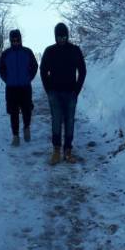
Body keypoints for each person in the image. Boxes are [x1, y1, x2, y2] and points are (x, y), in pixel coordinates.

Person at [40, 22, 86, 165]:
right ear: (55, 36)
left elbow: (82, 71)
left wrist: (77, 90)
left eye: (64, 36)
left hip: (71, 93)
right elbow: (42, 71)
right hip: (55, 93)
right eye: (59, 37)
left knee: (70, 122)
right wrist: (49, 90)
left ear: (67, 35)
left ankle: (68, 150)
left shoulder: (75, 50)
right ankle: (56, 151)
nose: (62, 39)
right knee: (56, 121)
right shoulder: (49, 51)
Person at [0, 29, 38, 147]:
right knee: (13, 112)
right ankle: (15, 136)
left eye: (17, 40)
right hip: (11, 89)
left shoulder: (27, 52)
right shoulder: (6, 54)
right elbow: (0, 69)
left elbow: (34, 66)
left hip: (25, 87)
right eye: (13, 40)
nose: (15, 42)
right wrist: (7, 79)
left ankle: (26, 128)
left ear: (20, 39)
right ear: (10, 41)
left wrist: (29, 77)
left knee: (27, 110)